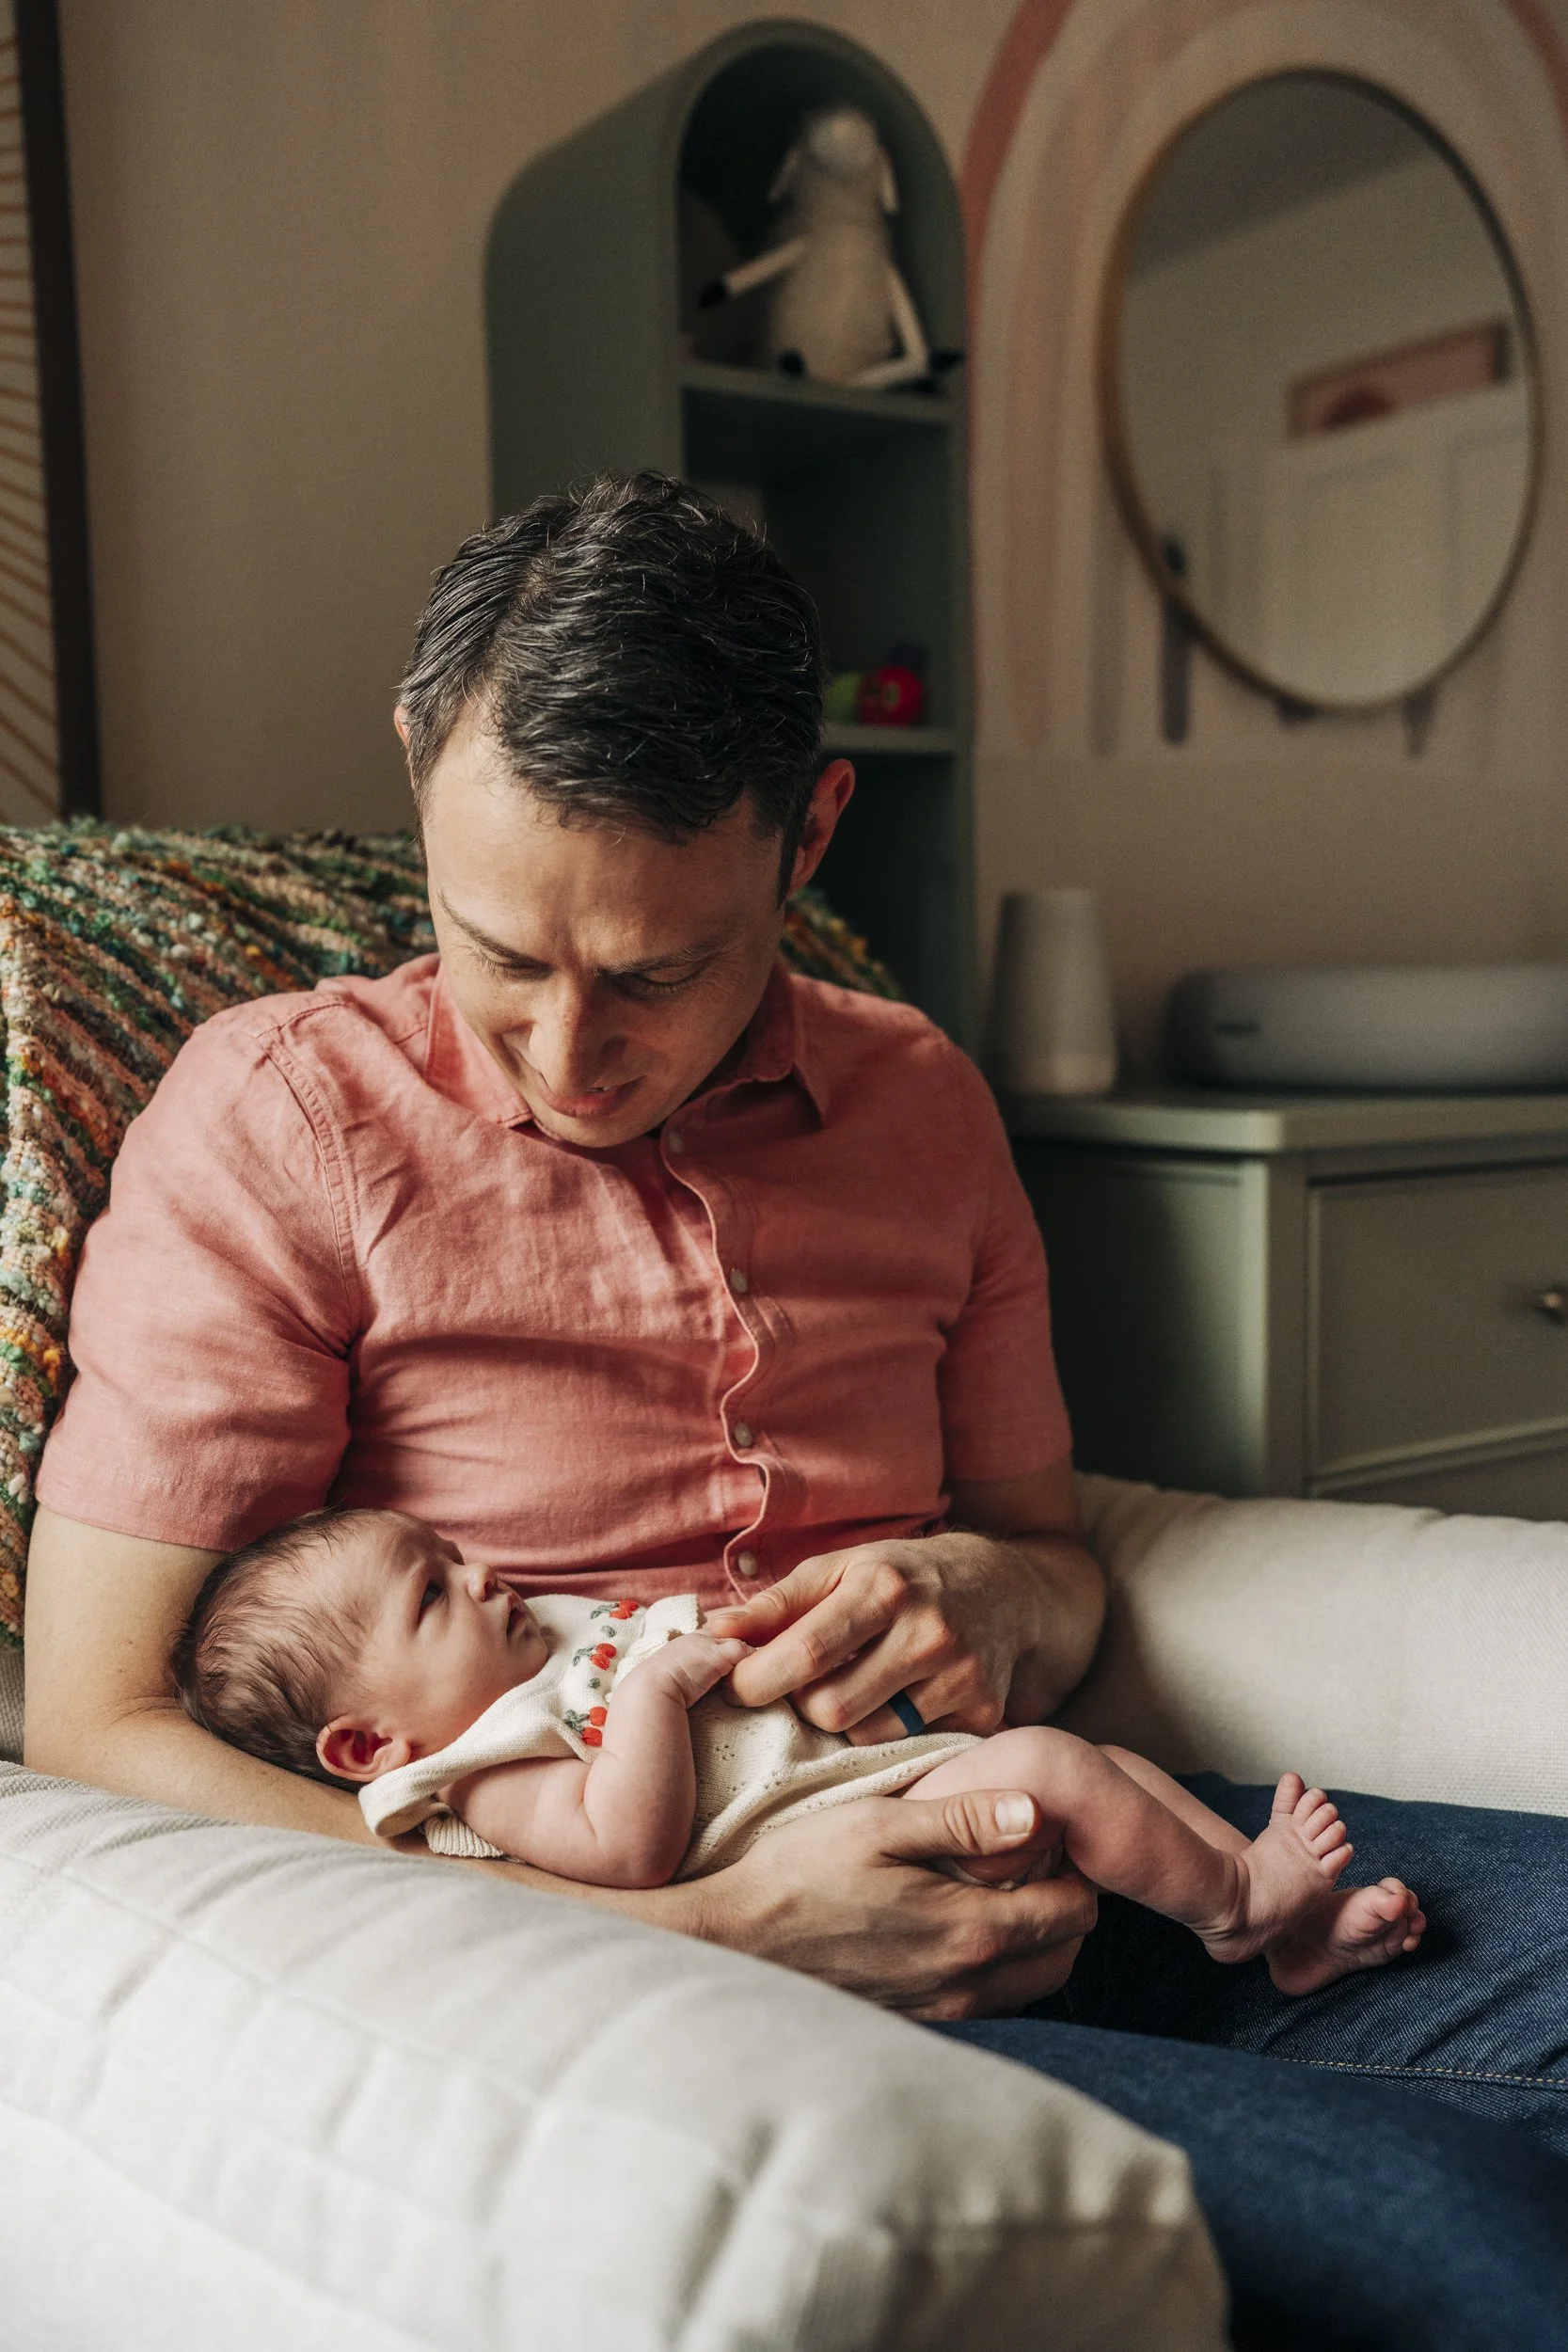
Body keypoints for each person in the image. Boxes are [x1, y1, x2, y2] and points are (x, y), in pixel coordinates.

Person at [21, 474, 1568, 2344]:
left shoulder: (919, 1102)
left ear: (807, 833)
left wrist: (1002, 1596)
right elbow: (92, 1725)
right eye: (503, 951)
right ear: (420, 765)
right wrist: (712, 1926)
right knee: (1466, 2230)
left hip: (1067, 1841)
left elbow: (1050, 1554)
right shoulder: (280, 1120)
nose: (570, 1053)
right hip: (646, 1958)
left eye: (653, 970)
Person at [172, 1502, 1424, 1994]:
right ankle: (1238, 1902)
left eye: (447, 1553)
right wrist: (656, 1694)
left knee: (1095, 1765)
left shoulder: (528, 1660)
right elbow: (624, 1848)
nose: (479, 1571)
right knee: (1056, 1775)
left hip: (874, 1773)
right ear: (366, 1740)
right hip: (844, 1856)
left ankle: (1283, 1935)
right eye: (432, 1594)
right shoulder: (480, 1772)